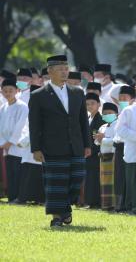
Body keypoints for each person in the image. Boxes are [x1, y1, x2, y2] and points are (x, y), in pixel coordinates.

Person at [29, 55, 91, 227]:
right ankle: (57, 217)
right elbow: (34, 125)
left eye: (66, 69)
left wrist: (87, 144)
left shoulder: (78, 92)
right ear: (50, 71)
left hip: (76, 145)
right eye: (60, 69)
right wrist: (36, 148)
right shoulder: (38, 95)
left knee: (77, 178)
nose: (64, 72)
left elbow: (83, 122)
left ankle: (65, 208)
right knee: (55, 183)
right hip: (51, 147)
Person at [116, 85, 136, 214]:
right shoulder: (129, 110)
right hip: (132, 150)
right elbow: (120, 129)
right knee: (132, 179)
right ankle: (132, 206)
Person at [0, 76, 29, 203]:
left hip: (18, 145)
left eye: (10, 90)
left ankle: (19, 197)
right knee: (9, 172)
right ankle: (11, 197)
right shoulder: (3, 107)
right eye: (5, 90)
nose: (7, 93)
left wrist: (10, 141)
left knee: (18, 172)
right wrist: (3, 143)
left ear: (16, 91)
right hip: (5, 145)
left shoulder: (22, 106)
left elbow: (21, 126)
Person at [94, 102, 119, 210]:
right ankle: (105, 204)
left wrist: (103, 139)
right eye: (105, 113)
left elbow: (116, 140)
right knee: (104, 181)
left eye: (110, 112)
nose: (107, 115)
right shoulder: (102, 126)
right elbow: (96, 142)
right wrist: (98, 139)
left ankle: (113, 204)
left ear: (116, 114)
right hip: (103, 157)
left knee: (112, 181)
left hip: (112, 156)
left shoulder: (117, 125)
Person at [84, 93, 105, 208]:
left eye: (92, 103)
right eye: (87, 104)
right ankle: (89, 201)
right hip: (87, 153)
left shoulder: (100, 120)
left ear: (98, 104)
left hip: (95, 153)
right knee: (89, 178)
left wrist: (91, 150)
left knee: (95, 178)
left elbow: (98, 138)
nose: (90, 106)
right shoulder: (87, 118)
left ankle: (95, 202)